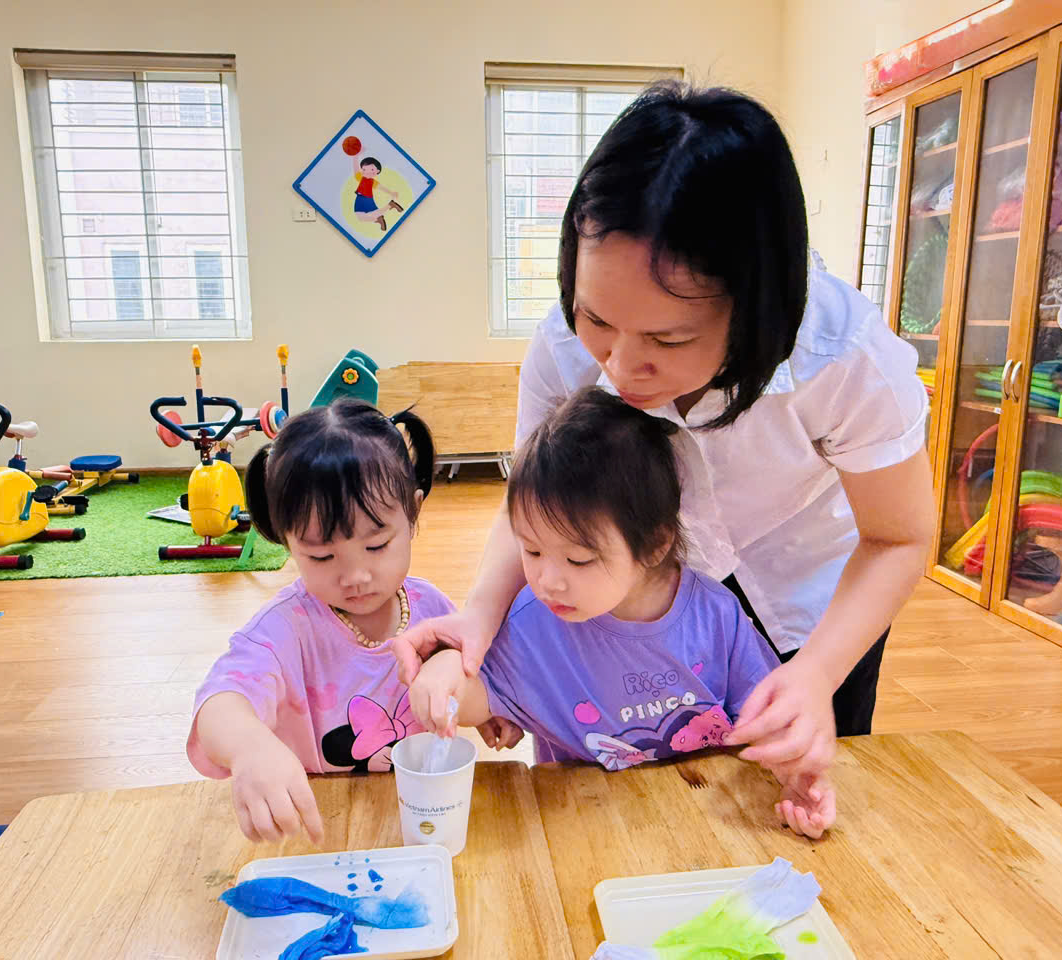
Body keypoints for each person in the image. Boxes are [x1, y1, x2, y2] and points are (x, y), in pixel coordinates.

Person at [396, 81, 934, 787]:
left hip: (817, 604)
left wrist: (817, 675)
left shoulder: (845, 358)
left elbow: (899, 535)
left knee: (797, 794)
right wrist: (481, 615)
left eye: (667, 337)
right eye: (596, 320)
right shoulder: (561, 350)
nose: (619, 367)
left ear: (755, 307)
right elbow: (532, 501)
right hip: (634, 601)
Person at [406, 388, 833, 838]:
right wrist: (444, 673)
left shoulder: (715, 615)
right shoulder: (533, 623)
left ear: (654, 543)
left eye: (579, 560)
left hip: (707, 826)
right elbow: (477, 697)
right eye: (531, 550)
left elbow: (769, 721)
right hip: (588, 833)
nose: (548, 579)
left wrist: (796, 775)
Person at [186, 400, 453, 844]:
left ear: (413, 513)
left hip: (420, 823)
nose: (355, 576)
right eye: (322, 555)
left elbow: (477, 674)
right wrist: (250, 747)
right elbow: (219, 702)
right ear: (287, 539)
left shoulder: (433, 608)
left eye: (377, 545)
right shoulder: (285, 629)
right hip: (319, 828)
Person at [352, 156, 404, 231]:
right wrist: (355, 158)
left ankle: (389, 207)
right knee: (362, 217)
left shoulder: (370, 181)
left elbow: (381, 187)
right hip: (361, 198)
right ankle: (389, 207)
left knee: (364, 216)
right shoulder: (362, 177)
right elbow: (356, 170)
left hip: (365, 199)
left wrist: (391, 192)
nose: (367, 171)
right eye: (364, 169)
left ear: (377, 171)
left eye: (372, 169)